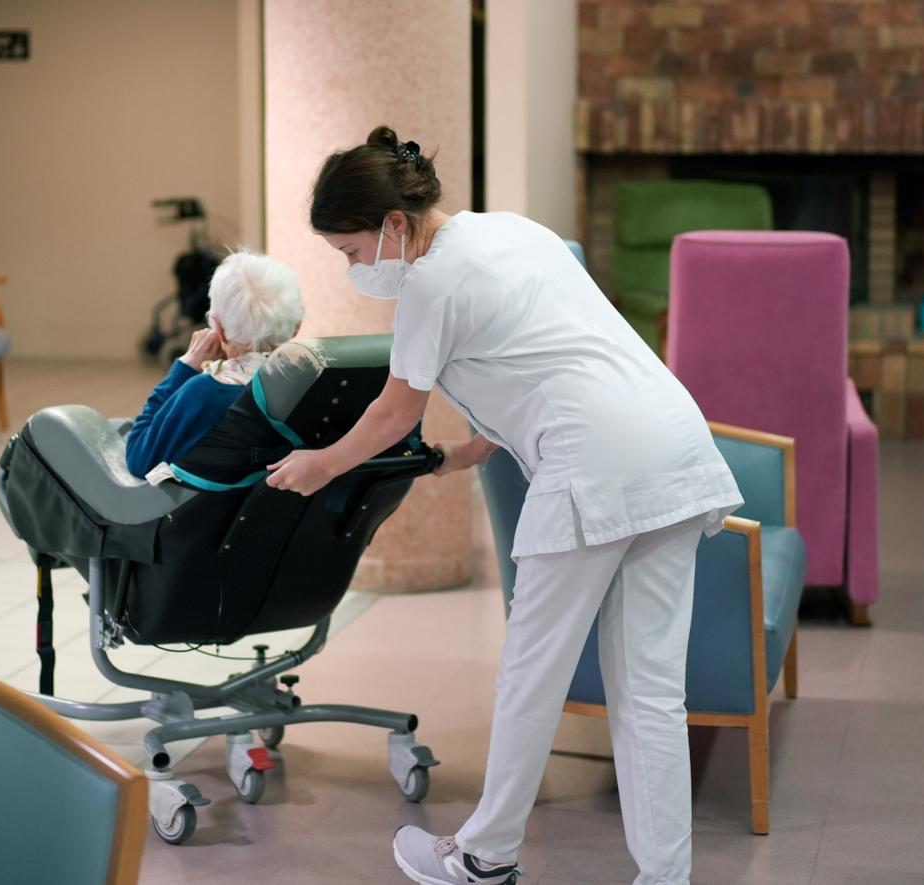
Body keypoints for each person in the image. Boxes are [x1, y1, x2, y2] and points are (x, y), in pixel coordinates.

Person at [265, 127, 744, 885]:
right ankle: (665, 877)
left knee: (532, 671)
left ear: (393, 225)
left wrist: (317, 466)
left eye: (350, 252)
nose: (354, 268)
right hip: (675, 448)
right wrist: (471, 450)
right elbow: (542, 350)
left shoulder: (428, 283)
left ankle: (487, 856)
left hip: (597, 464)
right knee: (653, 691)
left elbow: (396, 411)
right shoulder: (512, 231)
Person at [125, 250, 304, 479]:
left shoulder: (206, 392)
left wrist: (185, 367)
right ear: (296, 326)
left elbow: (139, 458)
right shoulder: (309, 380)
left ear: (218, 328)